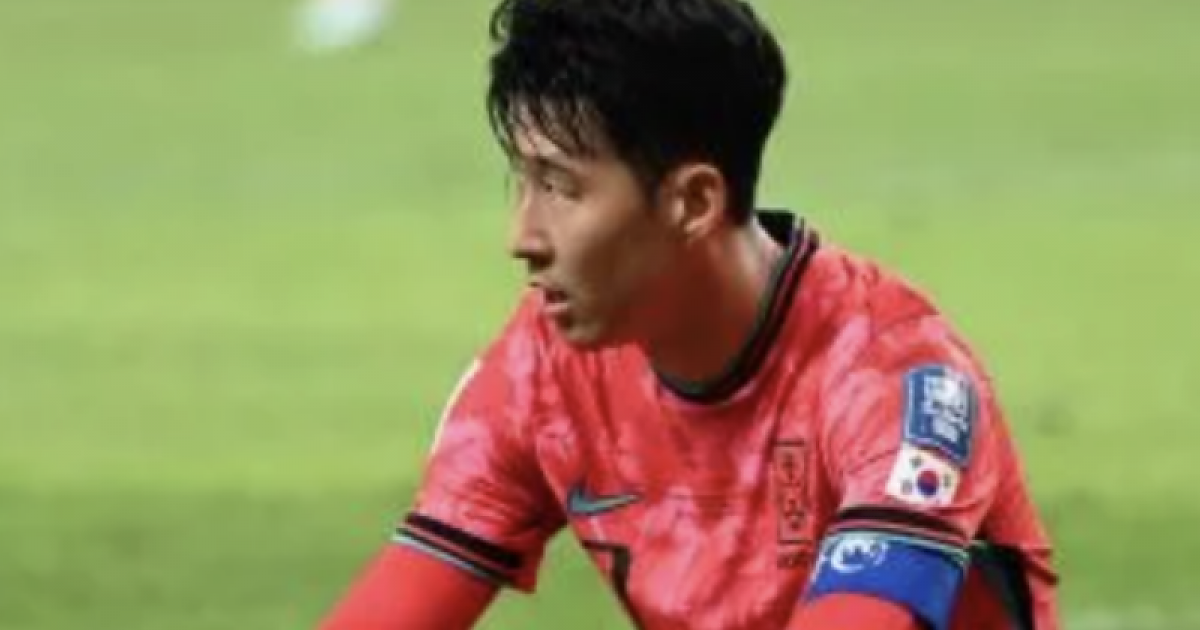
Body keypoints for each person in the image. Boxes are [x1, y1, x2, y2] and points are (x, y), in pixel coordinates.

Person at [320, 0, 1060, 628]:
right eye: (521, 180)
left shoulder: (892, 375)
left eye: (561, 188)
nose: (522, 237)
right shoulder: (543, 366)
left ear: (694, 202)